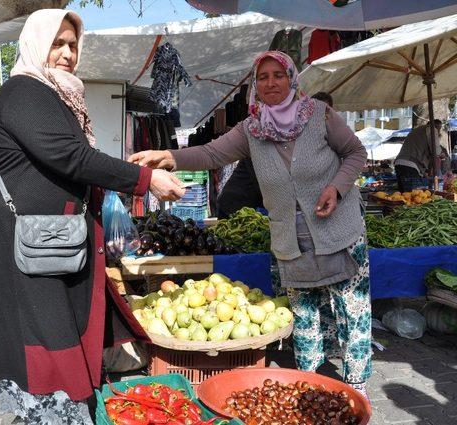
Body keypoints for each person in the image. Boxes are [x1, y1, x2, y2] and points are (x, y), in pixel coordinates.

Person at [0, 9, 184, 424]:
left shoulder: (57, 94)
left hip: (47, 242)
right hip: (25, 243)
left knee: (52, 327)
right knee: (42, 335)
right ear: (36, 44)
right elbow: (69, 157)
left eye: (72, 45)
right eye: (57, 44)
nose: (67, 53)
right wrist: (143, 180)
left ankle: (54, 408)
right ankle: (53, 411)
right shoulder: (23, 90)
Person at [130, 51, 372, 399]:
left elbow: (356, 153)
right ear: (255, 86)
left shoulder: (320, 115)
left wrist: (337, 186)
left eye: (278, 75)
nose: (271, 82)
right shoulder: (252, 129)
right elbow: (212, 154)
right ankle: (310, 382)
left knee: (352, 307)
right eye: (263, 77)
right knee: (303, 313)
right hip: (291, 236)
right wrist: (168, 157)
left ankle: (357, 384)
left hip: (339, 228)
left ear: (292, 78)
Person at [394, 119, 442, 192]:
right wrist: (442, 154)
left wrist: (423, 172)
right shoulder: (431, 129)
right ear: (436, 126)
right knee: (414, 196)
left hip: (399, 163)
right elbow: (436, 151)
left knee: (404, 196)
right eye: (439, 129)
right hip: (410, 165)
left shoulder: (417, 130)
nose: (439, 132)